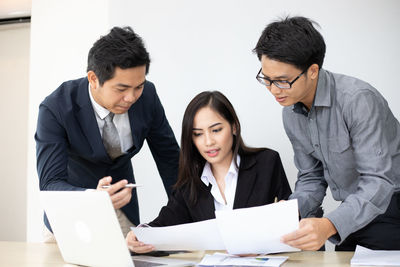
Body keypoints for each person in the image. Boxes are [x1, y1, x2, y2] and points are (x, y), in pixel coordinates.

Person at [253, 16, 400, 251]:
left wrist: (330, 224)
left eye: (282, 81)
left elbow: (379, 182)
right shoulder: (290, 111)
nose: (273, 90)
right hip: (356, 212)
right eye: (267, 79)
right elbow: (311, 177)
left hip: (391, 208)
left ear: (312, 71)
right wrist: (289, 213)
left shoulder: (358, 100)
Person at [35, 26, 180, 238]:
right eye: (121, 89)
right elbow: (50, 183)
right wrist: (93, 198)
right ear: (93, 79)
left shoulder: (147, 96)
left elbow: (170, 160)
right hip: (71, 213)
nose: (131, 97)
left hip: (123, 212)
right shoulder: (55, 108)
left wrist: (185, 216)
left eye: (138, 86)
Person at [126, 91, 292, 253]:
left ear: (234, 127)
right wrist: (138, 235)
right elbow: (164, 223)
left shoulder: (266, 163)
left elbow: (292, 223)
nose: (208, 142)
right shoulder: (190, 182)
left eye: (216, 130)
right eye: (198, 134)